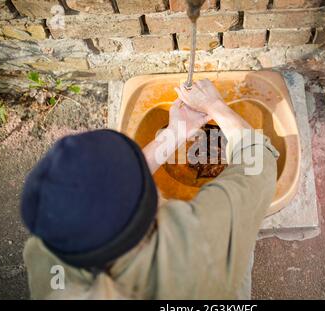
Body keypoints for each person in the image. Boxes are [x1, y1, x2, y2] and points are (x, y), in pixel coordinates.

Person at [21, 79, 279, 299]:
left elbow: (100, 196)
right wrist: (216, 107)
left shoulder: (45, 251)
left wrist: (174, 134)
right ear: (150, 205)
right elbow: (258, 166)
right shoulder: (198, 241)